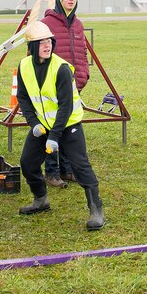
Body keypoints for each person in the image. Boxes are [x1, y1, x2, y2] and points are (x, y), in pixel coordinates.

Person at [15, 20, 103, 230]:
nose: (47, 45)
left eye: (49, 41)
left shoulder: (62, 68)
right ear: (32, 47)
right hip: (43, 125)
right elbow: (23, 97)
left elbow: (66, 105)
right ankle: (41, 200)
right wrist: (33, 123)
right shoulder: (24, 66)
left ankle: (96, 209)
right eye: (41, 42)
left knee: (80, 166)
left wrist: (55, 136)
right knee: (27, 163)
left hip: (68, 125)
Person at [41, 0, 89, 186]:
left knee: (70, 127)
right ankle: (51, 172)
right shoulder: (46, 24)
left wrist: (83, 75)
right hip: (52, 85)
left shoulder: (78, 24)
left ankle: (67, 170)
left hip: (73, 86)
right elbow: (37, 55)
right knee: (53, 127)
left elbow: (82, 52)